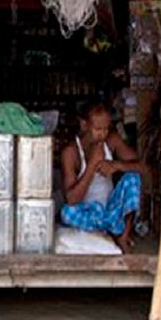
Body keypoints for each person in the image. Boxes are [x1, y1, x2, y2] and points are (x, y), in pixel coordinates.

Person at [60, 102, 144, 253]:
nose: (102, 134)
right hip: (88, 212)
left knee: (133, 177)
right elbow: (72, 199)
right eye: (98, 129)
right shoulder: (71, 152)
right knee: (67, 213)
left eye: (106, 129)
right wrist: (92, 165)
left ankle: (122, 237)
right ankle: (108, 229)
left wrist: (117, 165)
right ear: (84, 125)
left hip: (111, 209)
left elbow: (143, 167)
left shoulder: (111, 140)